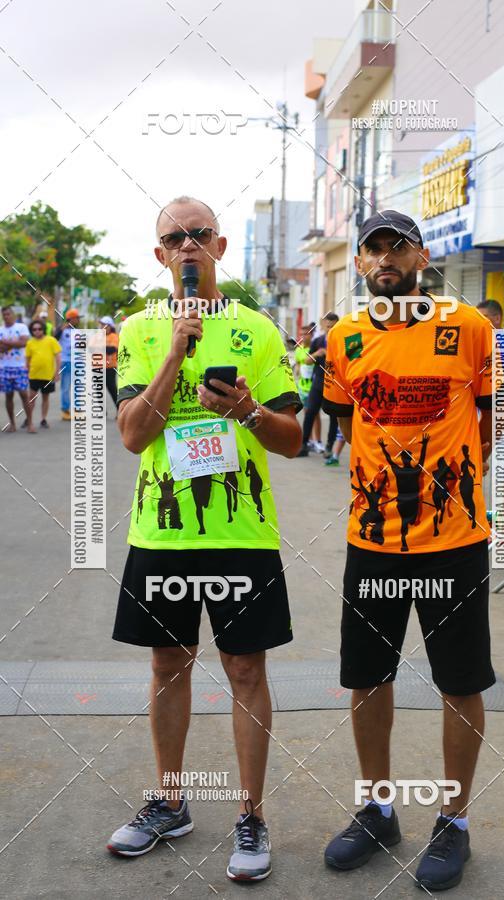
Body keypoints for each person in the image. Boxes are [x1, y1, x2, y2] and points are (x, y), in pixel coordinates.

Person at [107, 195, 302, 883]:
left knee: (246, 670)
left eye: (200, 235)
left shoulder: (260, 330)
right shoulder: (136, 330)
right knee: (167, 665)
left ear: (220, 248)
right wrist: (176, 351)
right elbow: (134, 434)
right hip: (163, 533)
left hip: (241, 532)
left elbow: (295, 440)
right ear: (160, 256)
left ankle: (251, 814)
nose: (188, 246)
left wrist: (247, 409)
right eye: (174, 238)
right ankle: (170, 801)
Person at [321, 209, 494, 892]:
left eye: (397, 247)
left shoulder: (469, 327)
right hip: (372, 541)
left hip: (454, 540)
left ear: (420, 256)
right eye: (373, 250)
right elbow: (344, 421)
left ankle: (453, 821)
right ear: (360, 263)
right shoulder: (344, 337)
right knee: (367, 678)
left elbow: (490, 418)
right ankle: (377, 809)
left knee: (461, 683)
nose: (385, 259)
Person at [296, 312, 339, 457]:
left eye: (333, 326)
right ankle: (303, 445)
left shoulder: (342, 341)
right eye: (328, 326)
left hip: (335, 384)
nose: (330, 329)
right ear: (323, 326)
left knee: (334, 416)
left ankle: (329, 446)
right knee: (310, 413)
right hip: (318, 382)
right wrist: (317, 353)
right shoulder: (318, 341)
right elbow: (307, 361)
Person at [0, 304, 33, 432]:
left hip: (19, 366)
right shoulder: (1, 330)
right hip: (4, 367)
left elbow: (24, 343)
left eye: (8, 314)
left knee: (24, 395)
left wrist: (5, 343)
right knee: (8, 396)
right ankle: (12, 424)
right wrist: (14, 344)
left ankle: (30, 423)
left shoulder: (21, 327)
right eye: (4, 315)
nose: (6, 316)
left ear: (13, 315)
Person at [24, 319, 61, 428]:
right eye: (34, 329)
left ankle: (43, 419)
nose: (37, 331)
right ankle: (29, 419)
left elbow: (58, 357)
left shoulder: (51, 340)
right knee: (31, 398)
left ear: (43, 329)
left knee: (45, 398)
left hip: (48, 375)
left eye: (39, 329)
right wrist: (26, 372)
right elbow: (27, 359)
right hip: (34, 375)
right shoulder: (30, 343)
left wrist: (57, 372)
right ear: (31, 331)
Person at [55, 308, 80, 420]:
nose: (78, 320)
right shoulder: (62, 330)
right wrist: (61, 329)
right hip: (65, 361)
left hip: (77, 361)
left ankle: (78, 410)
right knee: (65, 387)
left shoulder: (78, 331)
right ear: (71, 319)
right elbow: (54, 339)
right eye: (77, 318)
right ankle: (65, 411)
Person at [98, 315, 119, 409]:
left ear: (110, 326)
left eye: (104, 325)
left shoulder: (114, 337)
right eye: (101, 324)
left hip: (110, 367)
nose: (102, 326)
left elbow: (111, 350)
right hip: (97, 367)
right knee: (98, 391)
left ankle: (119, 409)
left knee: (112, 389)